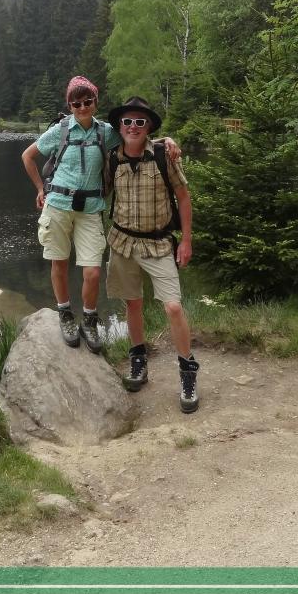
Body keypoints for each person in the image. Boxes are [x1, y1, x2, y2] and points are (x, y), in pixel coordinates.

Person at [105, 96, 199, 413]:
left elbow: (183, 198)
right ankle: (138, 360)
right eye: (127, 121)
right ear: (119, 126)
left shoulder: (163, 155)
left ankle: (188, 372)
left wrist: (186, 241)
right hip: (122, 242)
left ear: (148, 128)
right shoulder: (112, 159)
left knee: (173, 306)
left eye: (140, 122)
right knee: (132, 303)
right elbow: (96, 192)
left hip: (159, 243)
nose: (133, 127)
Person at [21, 76, 118, 352]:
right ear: (70, 105)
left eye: (88, 101)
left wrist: (166, 141)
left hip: (91, 209)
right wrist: (40, 189)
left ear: (95, 102)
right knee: (59, 264)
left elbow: (136, 137)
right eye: (76, 103)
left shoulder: (106, 132)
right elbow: (27, 156)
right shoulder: (60, 131)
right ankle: (65, 314)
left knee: (93, 272)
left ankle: (89, 319)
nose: (82, 107)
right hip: (58, 206)